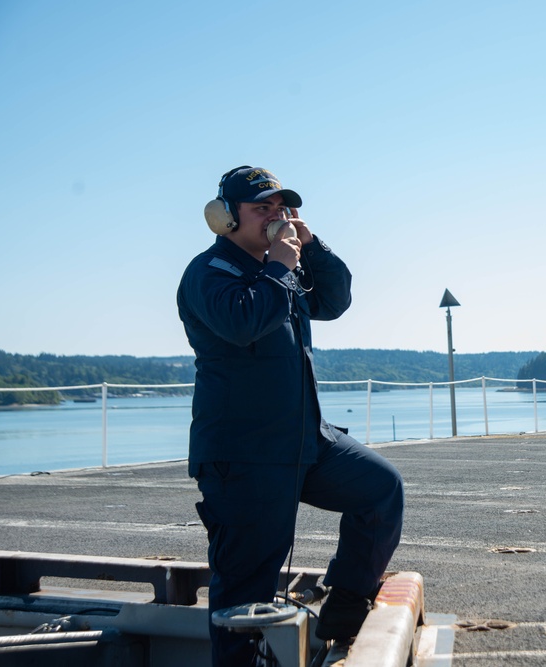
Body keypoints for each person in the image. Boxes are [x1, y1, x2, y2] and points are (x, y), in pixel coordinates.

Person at [177, 166, 404, 666]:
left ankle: (345, 608)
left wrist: (311, 246)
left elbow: (335, 300)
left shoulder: (287, 270)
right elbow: (244, 323)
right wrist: (279, 266)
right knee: (244, 592)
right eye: (262, 209)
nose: (276, 217)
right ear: (224, 219)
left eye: (282, 209)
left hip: (306, 442)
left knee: (380, 489)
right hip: (245, 456)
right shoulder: (208, 273)